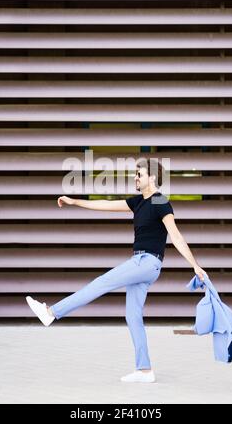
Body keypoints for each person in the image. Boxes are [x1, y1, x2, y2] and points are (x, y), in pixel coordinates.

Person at [26, 157, 207, 383]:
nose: (135, 178)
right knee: (133, 316)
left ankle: (51, 313)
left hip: (146, 263)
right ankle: (145, 370)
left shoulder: (161, 202)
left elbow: (176, 236)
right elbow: (105, 204)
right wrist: (75, 201)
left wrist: (195, 265)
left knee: (101, 283)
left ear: (151, 177)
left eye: (139, 174)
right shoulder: (138, 202)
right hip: (143, 265)